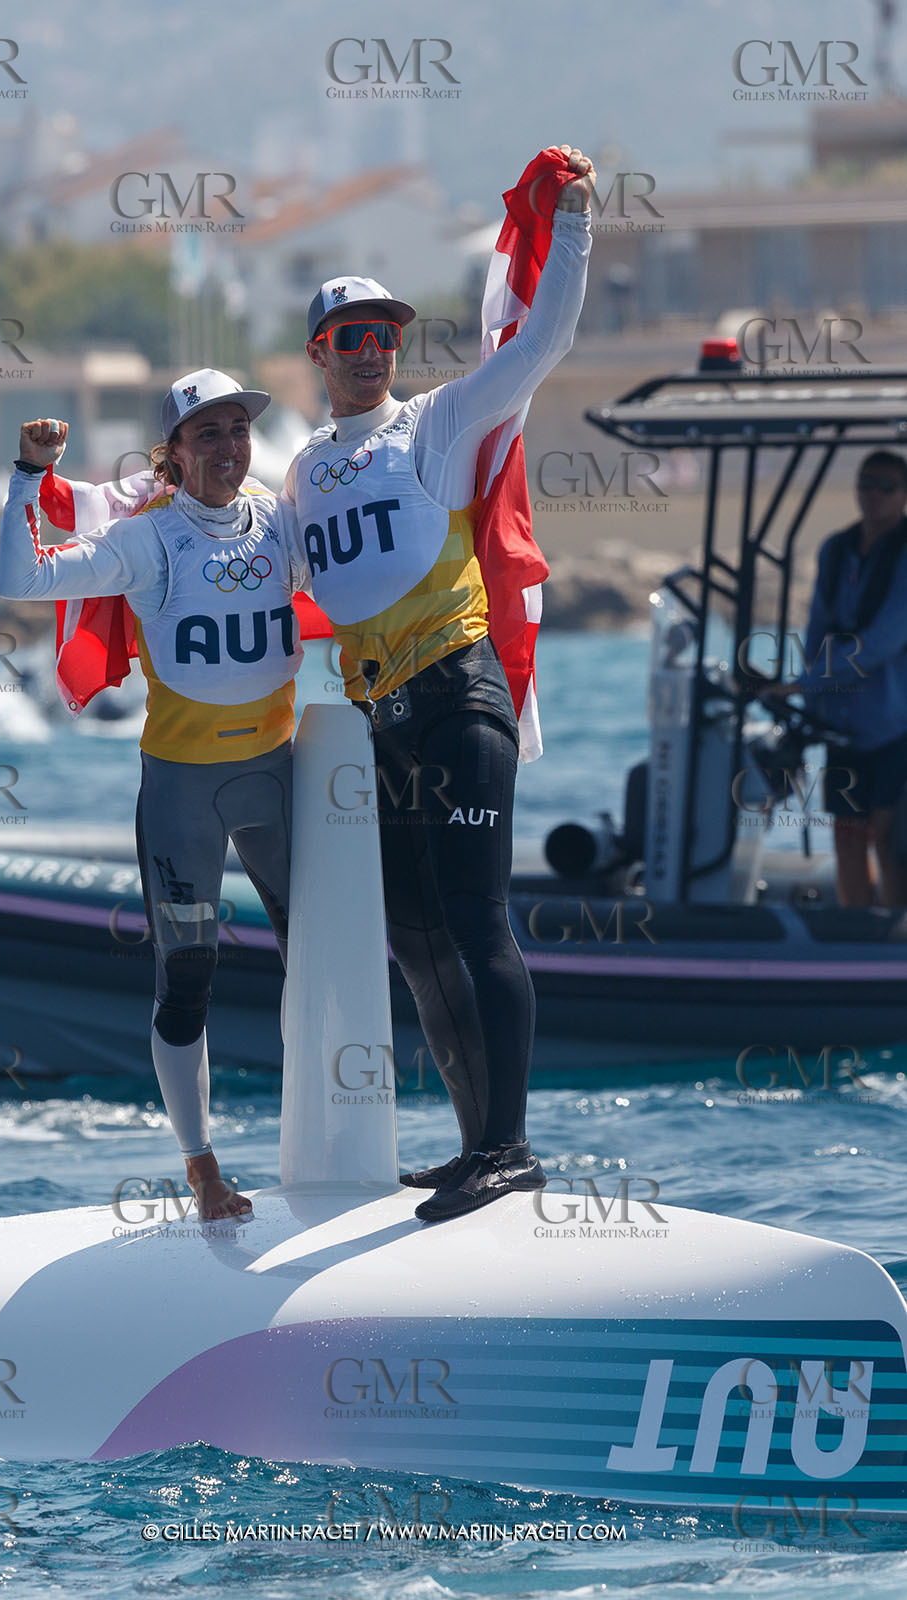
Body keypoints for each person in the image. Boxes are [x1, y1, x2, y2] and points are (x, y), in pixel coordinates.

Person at [279, 144, 595, 1222]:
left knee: (476, 920)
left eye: (385, 336)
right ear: (320, 352)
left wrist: (576, 217)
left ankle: (508, 1147)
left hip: (459, 697)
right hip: (382, 724)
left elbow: (544, 339)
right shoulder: (303, 468)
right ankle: (472, 1148)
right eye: (350, 339)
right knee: (412, 938)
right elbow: (260, 573)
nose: (372, 352)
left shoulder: (436, 422)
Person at [0, 369, 306, 1219]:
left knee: (317, 967)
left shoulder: (283, 519)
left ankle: (319, 1141)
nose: (228, 447)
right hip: (182, 796)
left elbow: (366, 588)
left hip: (277, 778)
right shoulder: (146, 538)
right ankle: (202, 1165)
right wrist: (27, 479)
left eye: (238, 430)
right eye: (206, 434)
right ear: (172, 453)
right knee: (190, 979)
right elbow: (22, 580)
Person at [774, 449, 907, 908]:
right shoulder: (837, 549)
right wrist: (806, 710)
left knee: (890, 839)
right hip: (842, 722)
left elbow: (883, 641)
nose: (872, 494)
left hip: (895, 725)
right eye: (866, 483)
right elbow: (817, 631)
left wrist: (805, 684)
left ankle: (894, 937)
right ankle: (856, 929)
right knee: (848, 833)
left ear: (904, 495)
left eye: (885, 486)